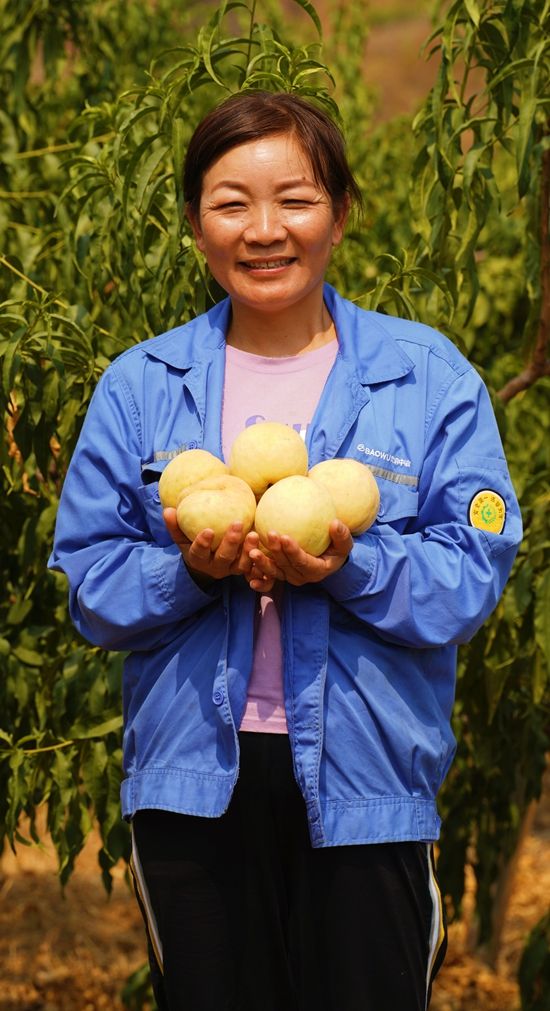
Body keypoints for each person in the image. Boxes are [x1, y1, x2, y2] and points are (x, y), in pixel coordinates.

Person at [49, 91, 522, 1011]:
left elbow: (472, 574)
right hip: (195, 788)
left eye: (295, 200)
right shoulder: (140, 387)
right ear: (195, 225)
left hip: (368, 786)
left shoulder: (428, 378)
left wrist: (352, 566)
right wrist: (191, 571)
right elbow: (89, 584)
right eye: (231, 203)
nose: (264, 230)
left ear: (340, 214)